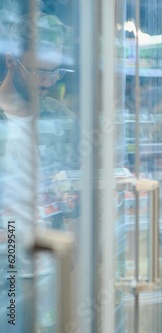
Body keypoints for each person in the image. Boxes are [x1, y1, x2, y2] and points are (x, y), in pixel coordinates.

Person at [0, 11, 78, 332]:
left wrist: (77, 196)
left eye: (56, 72)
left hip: (52, 264)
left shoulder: (61, 117)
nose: (47, 82)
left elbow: (77, 186)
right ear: (10, 60)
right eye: (38, 72)